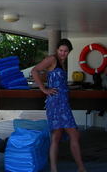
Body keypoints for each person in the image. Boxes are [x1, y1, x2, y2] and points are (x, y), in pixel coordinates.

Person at [31, 39, 86, 172]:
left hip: (62, 102)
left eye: (66, 51)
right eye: (61, 50)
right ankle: (80, 168)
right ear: (57, 50)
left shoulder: (61, 62)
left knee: (57, 136)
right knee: (72, 134)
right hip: (56, 103)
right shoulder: (52, 59)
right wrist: (44, 89)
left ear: (69, 52)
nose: (63, 53)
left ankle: (55, 169)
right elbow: (34, 71)